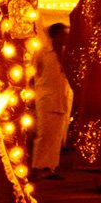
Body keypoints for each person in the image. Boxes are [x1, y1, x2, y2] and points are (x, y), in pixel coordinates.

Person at [31, 23, 72, 180]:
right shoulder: (42, 52)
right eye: (63, 34)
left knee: (56, 136)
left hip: (61, 98)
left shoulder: (65, 52)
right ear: (55, 35)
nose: (66, 37)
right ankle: (38, 166)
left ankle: (50, 167)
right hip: (46, 98)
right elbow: (33, 74)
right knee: (45, 134)